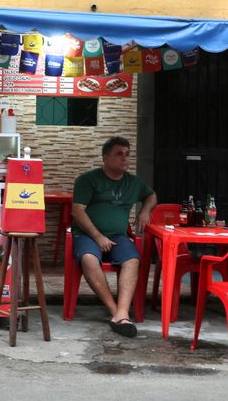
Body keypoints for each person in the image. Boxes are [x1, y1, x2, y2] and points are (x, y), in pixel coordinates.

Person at [72, 136, 157, 337]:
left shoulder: (133, 183)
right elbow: (78, 211)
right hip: (87, 235)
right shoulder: (88, 180)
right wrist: (98, 236)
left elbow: (151, 195)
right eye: (119, 154)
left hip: (118, 236)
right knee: (89, 259)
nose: (125, 159)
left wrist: (145, 211)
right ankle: (115, 311)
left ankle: (122, 312)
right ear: (105, 157)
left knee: (133, 260)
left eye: (127, 154)